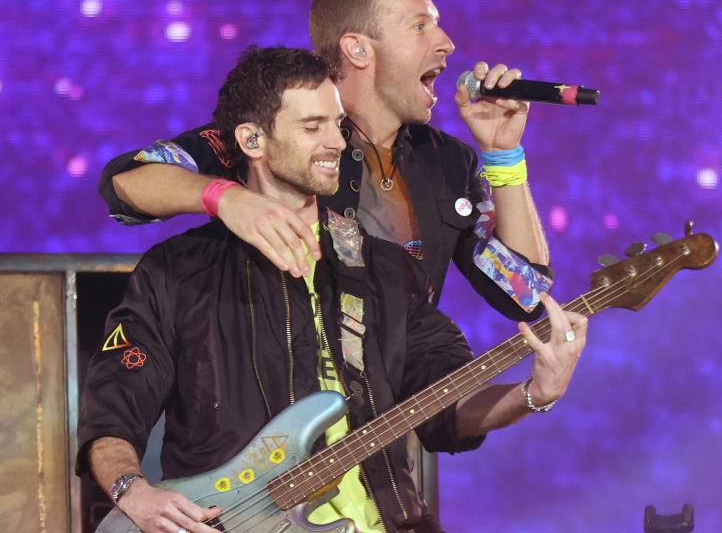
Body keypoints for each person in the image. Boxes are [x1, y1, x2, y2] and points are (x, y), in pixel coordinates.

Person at [78, 46, 587, 533]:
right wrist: (133, 492)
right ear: (253, 141)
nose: (339, 144)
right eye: (312, 126)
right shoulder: (176, 272)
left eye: (338, 126)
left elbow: (445, 407)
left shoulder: (385, 269)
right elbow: (113, 408)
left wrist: (533, 394)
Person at [99, 0, 551, 321]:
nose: (448, 43)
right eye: (421, 26)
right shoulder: (283, 135)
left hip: (395, 422)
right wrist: (227, 198)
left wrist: (502, 152)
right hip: (284, 420)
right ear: (358, 49)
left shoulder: (449, 162)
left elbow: (525, 297)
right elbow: (127, 184)